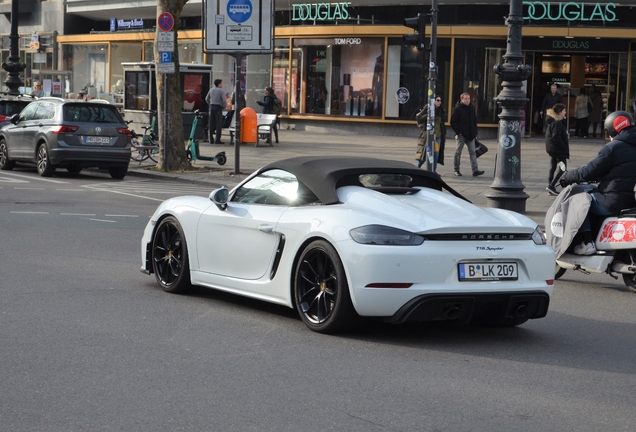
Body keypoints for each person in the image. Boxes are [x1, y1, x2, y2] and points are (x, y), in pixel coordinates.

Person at [560, 111, 636, 255]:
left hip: (613, 201)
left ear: (613, 129)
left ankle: (587, 242)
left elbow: (588, 171)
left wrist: (567, 176)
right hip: (632, 201)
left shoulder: (613, 148)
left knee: (578, 199)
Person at [450, 92, 483, 177]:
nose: (468, 100)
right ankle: (456, 169)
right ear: (462, 99)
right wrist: (458, 132)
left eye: (469, 98)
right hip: (461, 135)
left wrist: (475, 133)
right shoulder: (458, 108)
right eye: (466, 99)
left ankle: (475, 170)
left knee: (473, 152)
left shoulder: (471, 108)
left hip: (471, 135)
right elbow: (453, 121)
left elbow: (474, 122)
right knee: (458, 152)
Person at [415, 96, 446, 172]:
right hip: (428, 136)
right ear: (433, 101)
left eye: (440, 100)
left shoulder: (440, 111)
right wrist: (429, 115)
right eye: (437, 100)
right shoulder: (427, 108)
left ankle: (433, 171)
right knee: (426, 154)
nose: (439, 102)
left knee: (436, 154)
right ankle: (417, 168)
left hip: (438, 136)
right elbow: (418, 118)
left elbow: (441, 124)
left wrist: (443, 133)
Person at [544, 103, 569, 196]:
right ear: (559, 112)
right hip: (558, 150)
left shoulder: (552, 121)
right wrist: (563, 147)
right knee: (563, 168)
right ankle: (551, 186)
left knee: (553, 167)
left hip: (552, 149)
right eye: (564, 111)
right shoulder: (557, 123)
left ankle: (551, 187)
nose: (565, 112)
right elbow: (556, 137)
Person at [205, 79, 227, 144]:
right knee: (218, 124)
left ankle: (210, 139)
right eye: (221, 83)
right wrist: (224, 107)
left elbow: (206, 99)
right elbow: (224, 101)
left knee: (211, 124)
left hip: (211, 108)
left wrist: (210, 104)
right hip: (218, 108)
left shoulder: (211, 90)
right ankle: (217, 139)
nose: (222, 85)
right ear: (219, 84)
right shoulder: (221, 91)